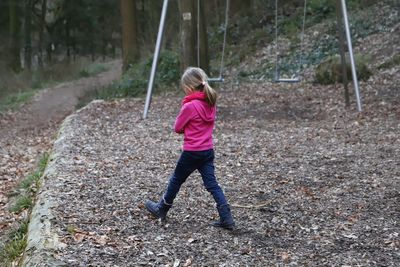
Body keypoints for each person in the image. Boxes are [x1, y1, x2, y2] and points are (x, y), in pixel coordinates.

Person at [145, 67, 235, 230]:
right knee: (212, 184)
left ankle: (162, 208)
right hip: (207, 151)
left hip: (192, 152)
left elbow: (178, 128)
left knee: (176, 180)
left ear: (188, 88)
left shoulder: (190, 106)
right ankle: (227, 217)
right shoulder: (210, 102)